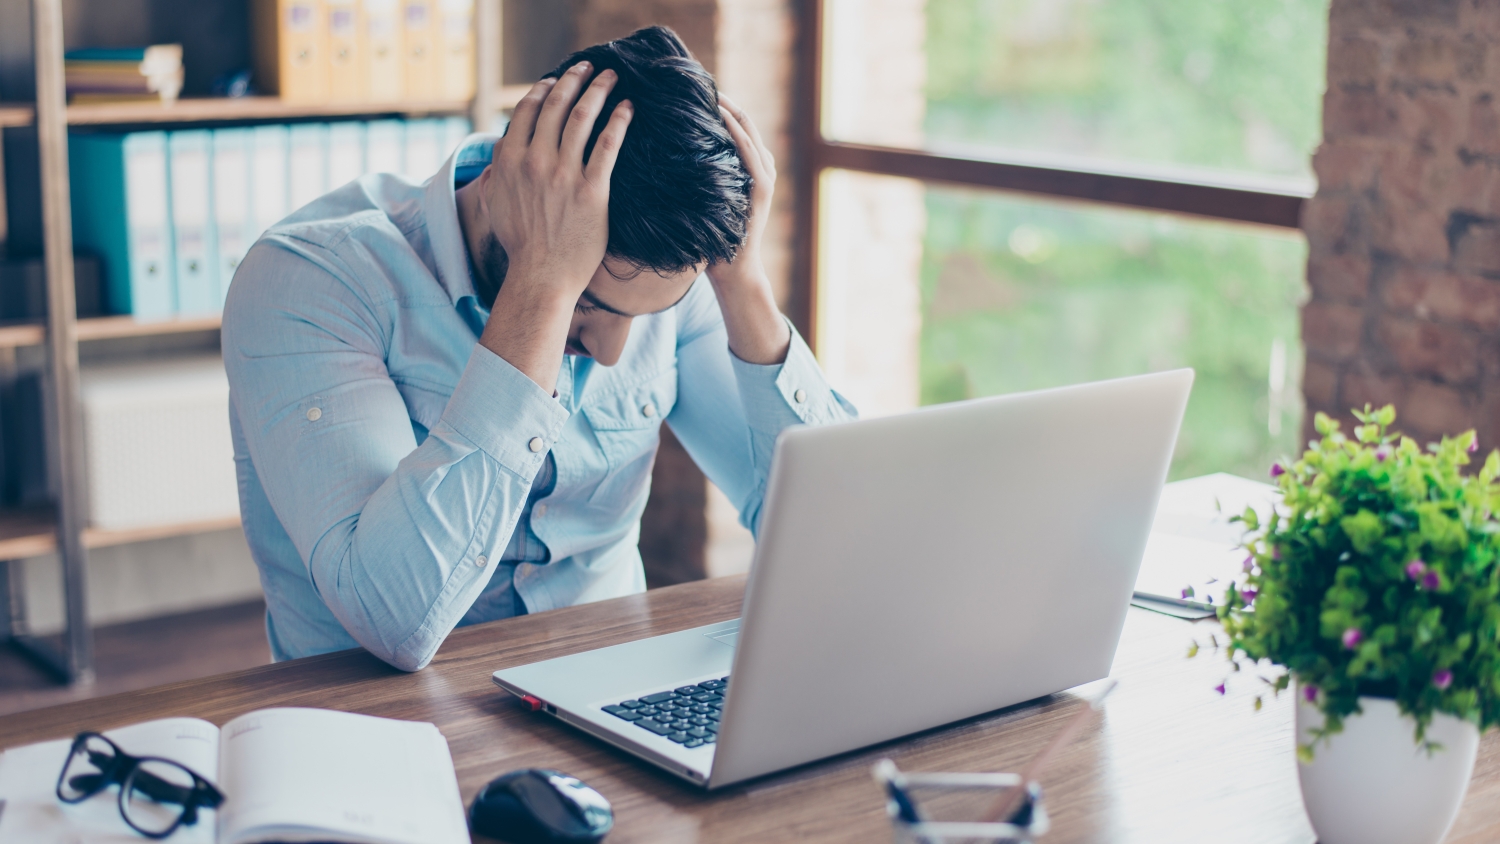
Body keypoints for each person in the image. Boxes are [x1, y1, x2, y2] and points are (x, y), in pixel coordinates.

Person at [222, 26, 855, 671]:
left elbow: (838, 542)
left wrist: (742, 281)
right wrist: (545, 283)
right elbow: (394, 622)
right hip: (381, 717)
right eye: (589, 303)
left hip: (612, 686)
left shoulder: (659, 270)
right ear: (503, 191)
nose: (611, 354)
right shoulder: (309, 279)